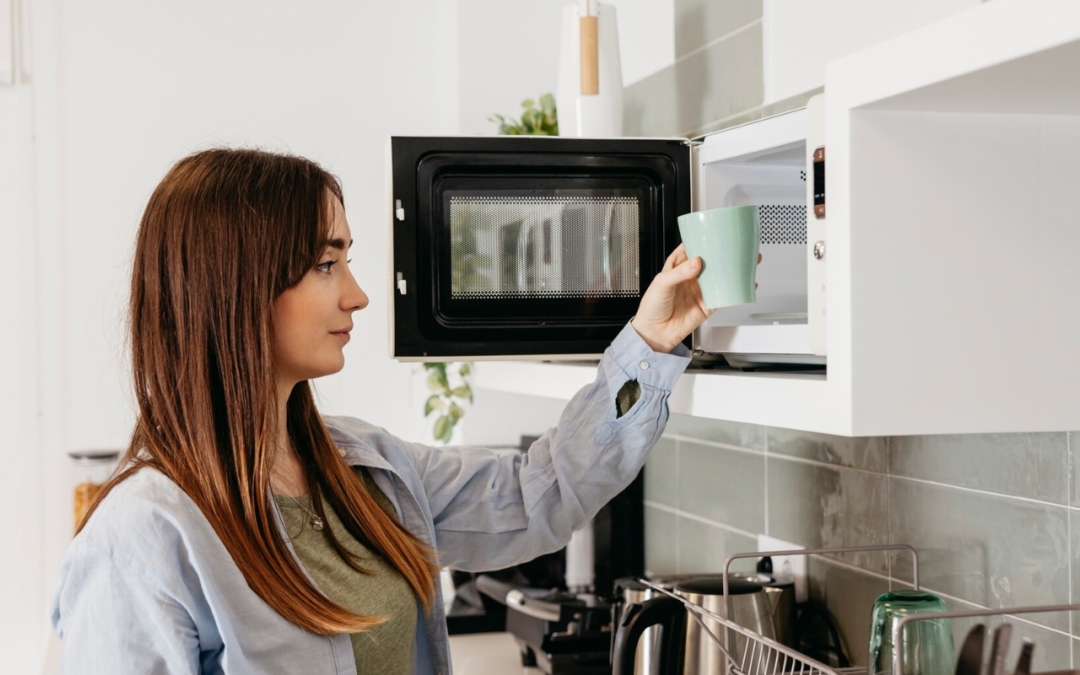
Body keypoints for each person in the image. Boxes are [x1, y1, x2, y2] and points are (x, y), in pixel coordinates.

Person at [49, 148, 719, 675]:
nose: (359, 294)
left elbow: (534, 494)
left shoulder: (366, 468)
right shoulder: (139, 542)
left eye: (347, 260)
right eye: (325, 263)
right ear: (238, 287)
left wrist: (650, 342)